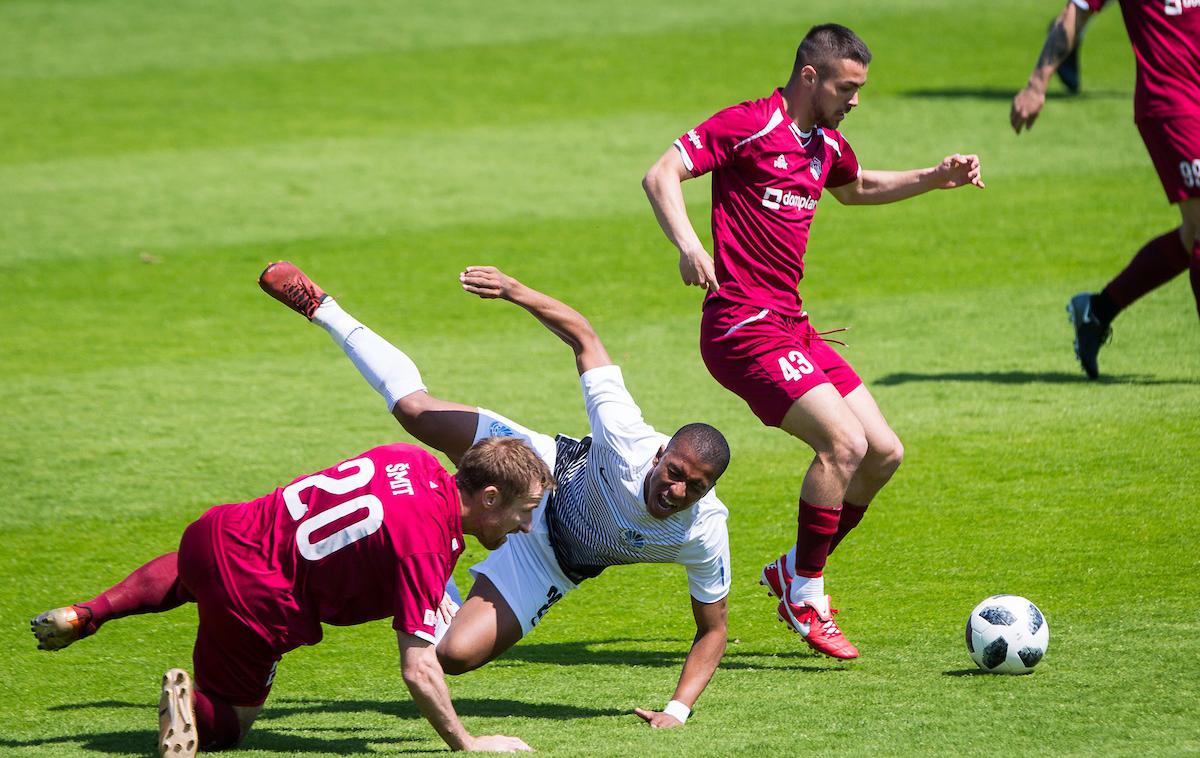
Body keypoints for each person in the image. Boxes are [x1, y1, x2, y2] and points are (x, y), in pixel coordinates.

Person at [258, 261, 732, 729]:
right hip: (541, 470)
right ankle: (324, 309)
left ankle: (437, 579)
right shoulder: (626, 435)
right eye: (674, 473)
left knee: (454, 655)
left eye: (695, 487)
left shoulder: (704, 532)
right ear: (658, 456)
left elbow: (713, 630)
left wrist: (676, 711)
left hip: (551, 562)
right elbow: (583, 336)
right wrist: (512, 289)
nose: (676, 491)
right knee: (416, 410)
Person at [642, 24, 984, 659]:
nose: (855, 100)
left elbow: (858, 189)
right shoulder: (749, 123)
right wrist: (689, 245)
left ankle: (792, 569)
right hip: (740, 325)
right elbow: (661, 175)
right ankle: (806, 592)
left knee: (883, 451)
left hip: (791, 324)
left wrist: (936, 176)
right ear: (810, 77)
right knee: (843, 442)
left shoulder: (824, 142)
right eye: (846, 87)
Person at [31, 435, 552, 756]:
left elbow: (371, 527)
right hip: (255, 604)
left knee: (198, 572)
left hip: (218, 534)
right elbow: (419, 668)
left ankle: (89, 611)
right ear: (489, 496)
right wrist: (467, 741)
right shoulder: (425, 547)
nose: (527, 525)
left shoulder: (409, 458)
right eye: (524, 510)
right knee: (230, 728)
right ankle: (188, 706)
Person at [1011, 0, 1200, 379]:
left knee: (1192, 236)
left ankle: (1097, 312)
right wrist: (1037, 82)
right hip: (1172, 105)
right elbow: (1075, 12)